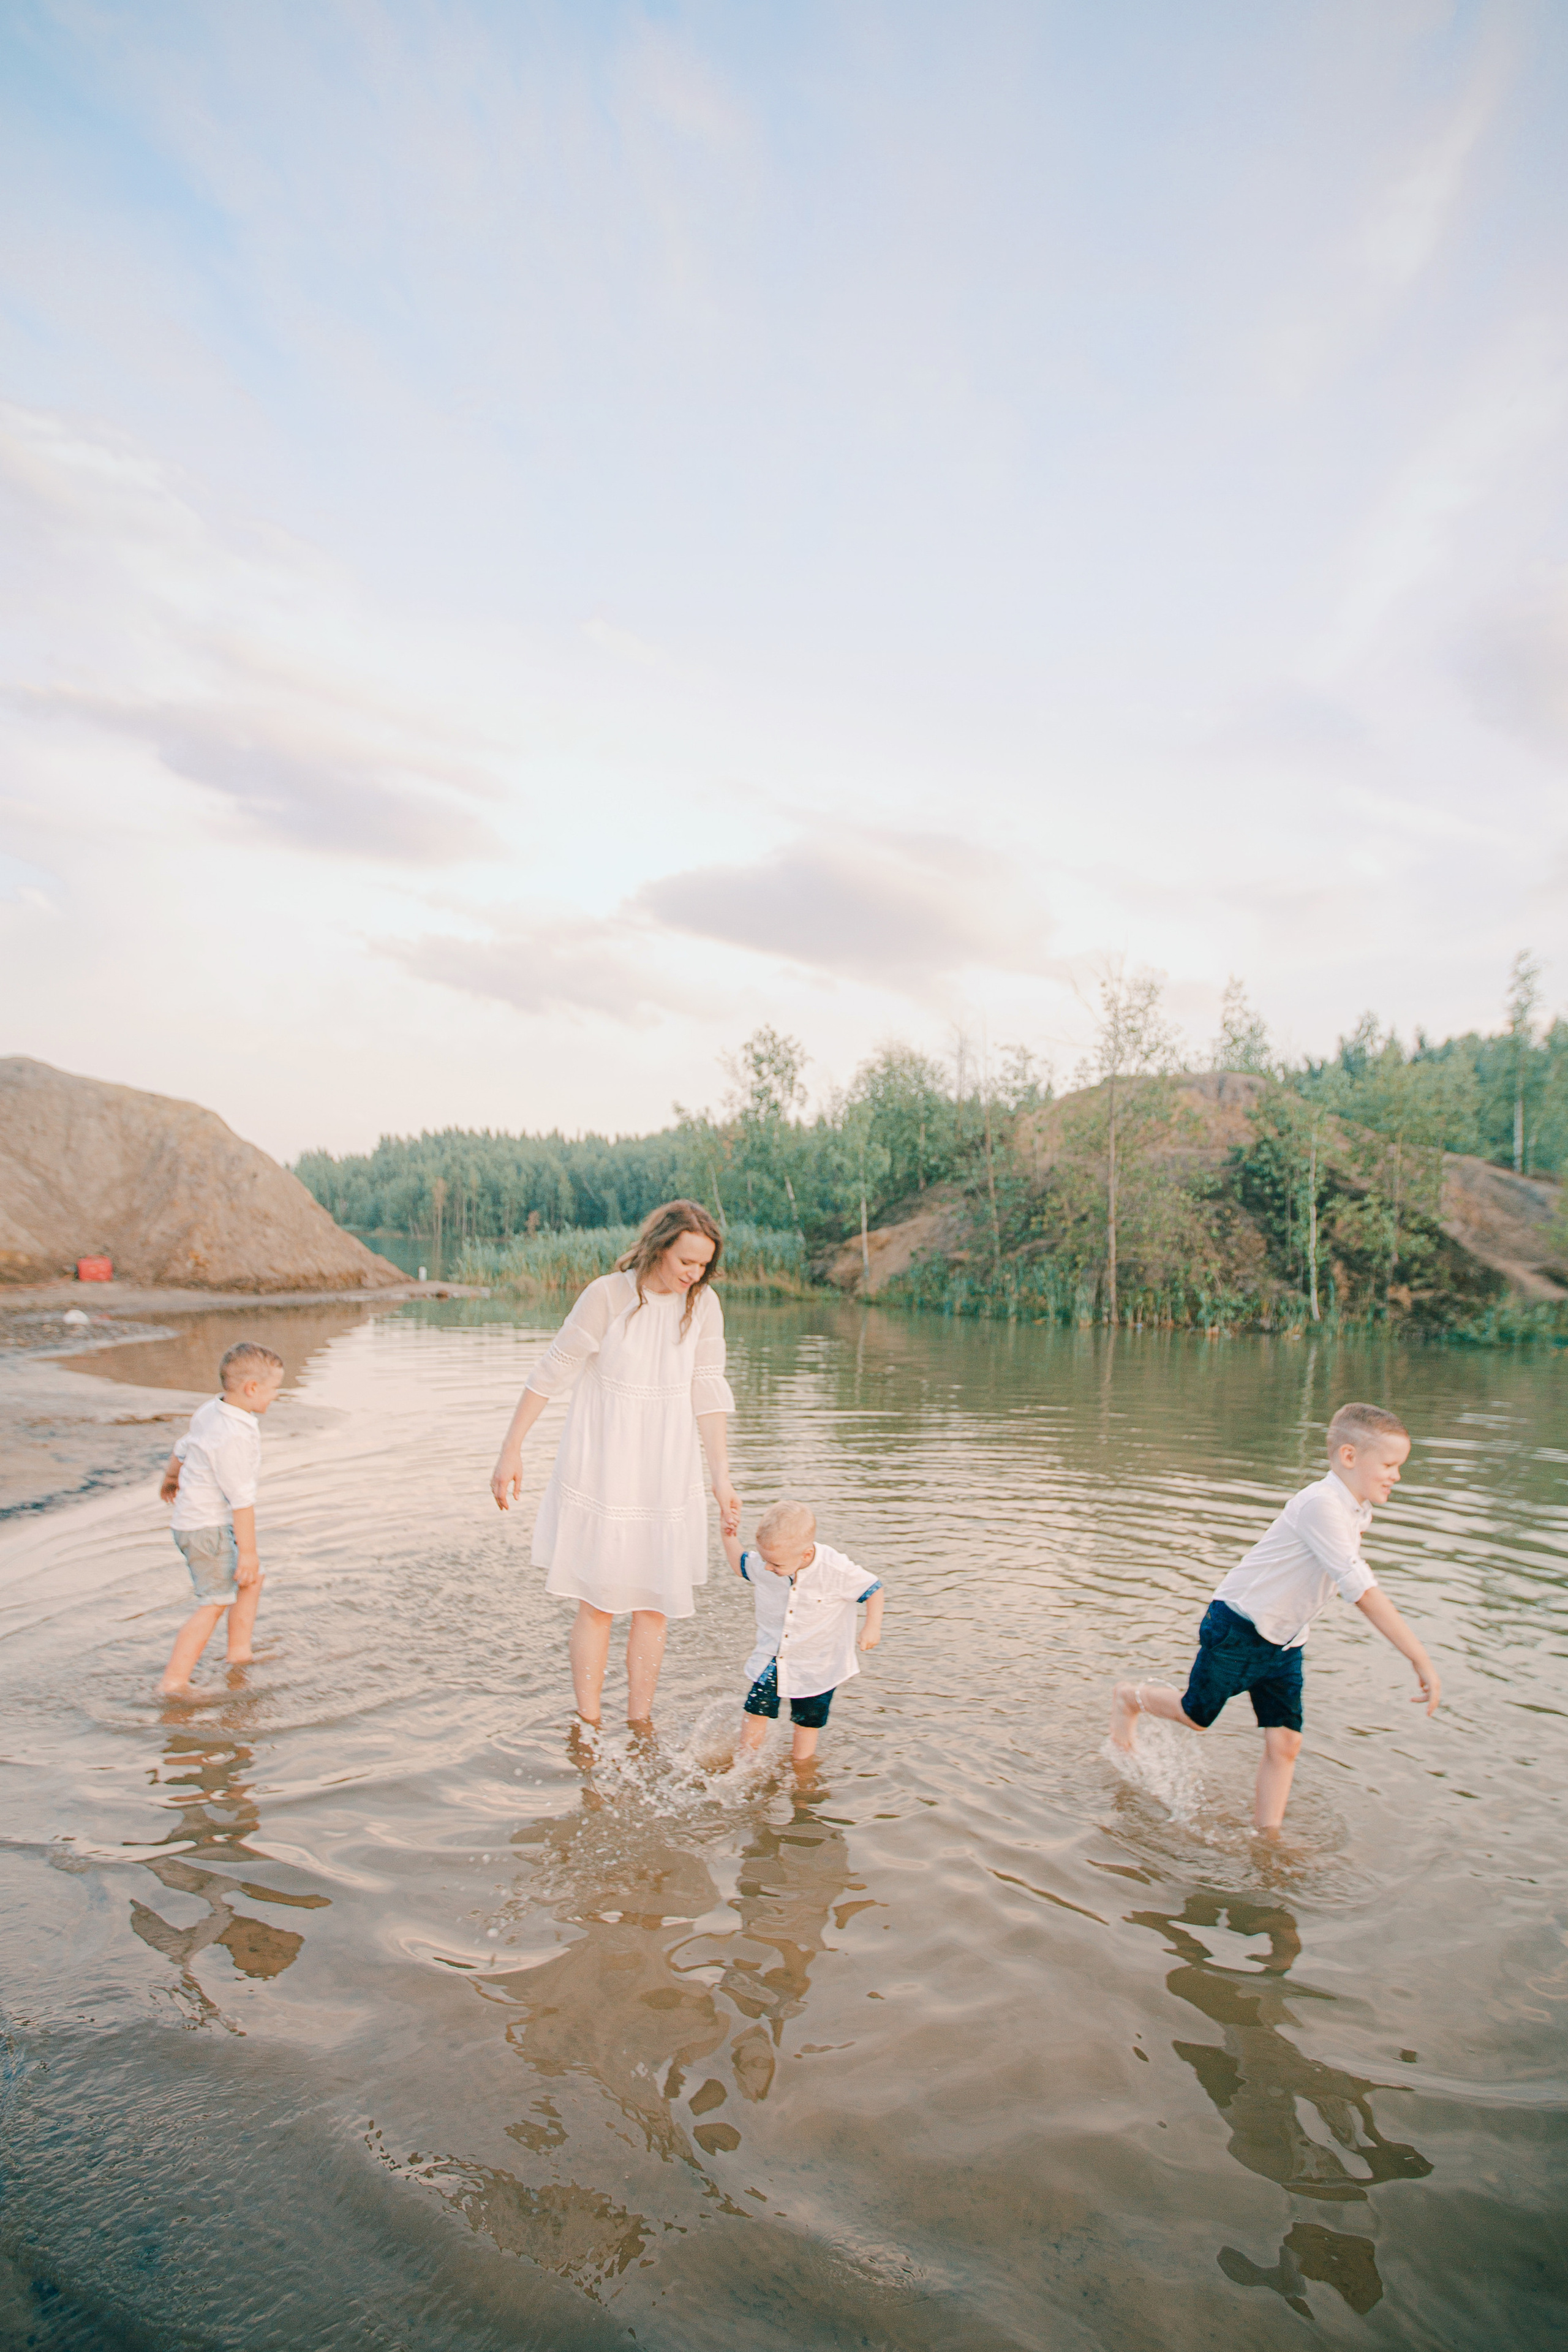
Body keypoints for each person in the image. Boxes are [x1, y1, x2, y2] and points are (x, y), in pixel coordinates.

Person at [1108, 1401, 1441, 1832]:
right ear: (1349, 1457)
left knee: (1285, 1742)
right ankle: (1126, 1697)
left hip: (1285, 1641)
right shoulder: (1321, 1505)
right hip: (1239, 1628)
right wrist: (1419, 1657)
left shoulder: (1357, 1509)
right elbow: (1358, 1586)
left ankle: (1268, 1836)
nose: (1397, 1475)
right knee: (1196, 1717)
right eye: (1391, 1465)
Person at [490, 1201, 740, 1734]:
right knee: (599, 1603)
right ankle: (588, 1724)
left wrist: (721, 1477)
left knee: (655, 1605)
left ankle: (640, 1725)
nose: (693, 1274)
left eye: (703, 1266)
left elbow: (707, 1390)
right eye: (686, 1261)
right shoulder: (607, 1295)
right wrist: (512, 1448)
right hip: (605, 1465)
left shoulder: (704, 1305)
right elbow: (551, 1371)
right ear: (660, 1246)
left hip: (667, 1469)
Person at [157, 1341, 285, 1695]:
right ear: (252, 1388)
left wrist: (171, 1478)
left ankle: (239, 1654)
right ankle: (173, 1683)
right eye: (275, 1389)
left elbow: (184, 1446)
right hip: (207, 1528)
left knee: (251, 1581)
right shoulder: (234, 1435)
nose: (276, 1396)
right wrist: (248, 1551)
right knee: (214, 1603)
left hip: (196, 1524)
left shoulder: (213, 1409)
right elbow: (241, 1500)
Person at [724, 1499, 885, 1766]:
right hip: (774, 1657)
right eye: (765, 1560)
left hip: (819, 1663)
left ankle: (802, 1767)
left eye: (775, 1565)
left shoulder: (835, 1569)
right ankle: (746, 1762)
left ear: (806, 1555)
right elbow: (739, 1564)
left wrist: (872, 1627)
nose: (767, 1569)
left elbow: (874, 1588)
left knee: (808, 1720)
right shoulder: (773, 1560)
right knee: (756, 1709)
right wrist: (727, 1534)